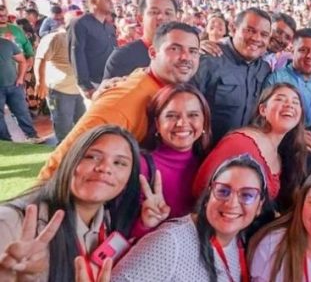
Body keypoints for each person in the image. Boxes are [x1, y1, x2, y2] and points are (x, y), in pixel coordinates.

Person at [38, 22, 201, 180]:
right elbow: (64, 159)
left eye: (193, 51)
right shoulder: (125, 99)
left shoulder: (160, 87)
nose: (186, 57)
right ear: (152, 53)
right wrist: (41, 200)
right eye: (174, 48)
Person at [0, 126, 141, 282]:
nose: (105, 168)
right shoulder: (11, 223)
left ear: (129, 179)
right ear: (70, 161)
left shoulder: (108, 220)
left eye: (119, 163)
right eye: (92, 157)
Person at [113, 155, 266, 282]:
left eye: (247, 195)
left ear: (259, 206)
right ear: (208, 196)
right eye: (223, 191)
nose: (232, 203)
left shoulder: (237, 241)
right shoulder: (171, 242)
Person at [193, 83, 307, 212]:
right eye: (280, 99)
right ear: (263, 110)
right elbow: (201, 188)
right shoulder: (240, 142)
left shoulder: (281, 155)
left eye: (295, 102)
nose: (289, 105)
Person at [130, 83, 213, 237]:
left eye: (193, 115)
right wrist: (145, 224)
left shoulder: (209, 163)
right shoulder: (140, 165)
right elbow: (122, 233)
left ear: (204, 122)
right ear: (157, 123)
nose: (182, 123)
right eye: (171, 116)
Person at [193, 8, 273, 142]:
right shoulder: (209, 59)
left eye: (264, 34)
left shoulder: (264, 69)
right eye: (250, 30)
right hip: (207, 151)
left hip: (244, 151)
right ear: (233, 29)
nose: (256, 38)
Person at [34, 9, 85, 142]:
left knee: (83, 126)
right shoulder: (54, 38)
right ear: (65, 23)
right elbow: (40, 59)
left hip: (79, 89)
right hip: (59, 90)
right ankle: (63, 159)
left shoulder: (81, 38)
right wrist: (40, 82)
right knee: (64, 129)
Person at [103, 0, 178, 79]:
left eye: (168, 13)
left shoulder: (186, 56)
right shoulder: (122, 57)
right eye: (154, 12)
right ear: (140, 18)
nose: (162, 17)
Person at [263, 28, 311, 127]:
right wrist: (298, 135)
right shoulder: (276, 79)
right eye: (303, 50)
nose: (310, 55)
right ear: (292, 51)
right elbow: (265, 120)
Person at [68, 0, 117, 101]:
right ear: (94, 2)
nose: (111, 2)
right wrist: (85, 86)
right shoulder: (80, 23)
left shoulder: (109, 26)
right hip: (93, 83)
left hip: (110, 80)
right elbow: (77, 55)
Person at [0, 37, 40, 142]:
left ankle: (32, 136)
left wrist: (21, 78)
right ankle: (6, 142)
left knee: (22, 111)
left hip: (14, 85)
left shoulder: (7, 43)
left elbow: (22, 61)